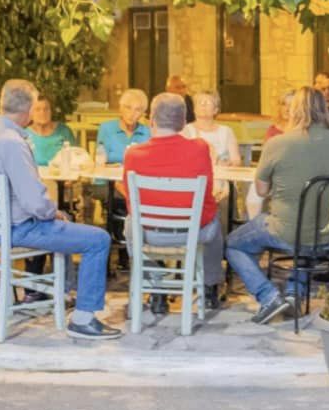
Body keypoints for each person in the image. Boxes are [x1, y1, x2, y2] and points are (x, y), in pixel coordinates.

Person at [0, 79, 120, 340]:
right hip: (15, 228)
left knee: (66, 223)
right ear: (29, 110)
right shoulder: (12, 142)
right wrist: (52, 212)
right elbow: (35, 202)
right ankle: (83, 318)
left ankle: (66, 292)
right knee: (98, 239)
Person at [226, 86, 329, 324]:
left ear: (294, 110)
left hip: (287, 232)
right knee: (303, 229)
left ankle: (268, 295)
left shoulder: (278, 143)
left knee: (233, 244)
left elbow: (261, 191)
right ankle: (294, 293)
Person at [122, 92, 225, 311]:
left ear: (152, 120)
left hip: (149, 234)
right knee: (215, 220)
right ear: (183, 121)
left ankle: (155, 283)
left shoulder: (133, 154)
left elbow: (131, 202)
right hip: (190, 233)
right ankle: (209, 286)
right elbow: (207, 199)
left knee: (130, 223)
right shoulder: (200, 148)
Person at [88, 88, 151, 226]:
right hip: (108, 183)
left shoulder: (148, 132)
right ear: (120, 108)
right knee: (123, 198)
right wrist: (119, 182)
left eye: (137, 110)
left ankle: (128, 230)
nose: (132, 113)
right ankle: (122, 229)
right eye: (128, 107)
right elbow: (101, 160)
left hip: (136, 183)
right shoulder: (106, 128)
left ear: (142, 113)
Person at [182, 91, 241, 166]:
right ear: (194, 109)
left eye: (208, 103)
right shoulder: (186, 130)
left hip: (221, 172)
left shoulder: (226, 131)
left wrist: (228, 164)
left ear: (215, 110)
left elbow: (236, 161)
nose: (203, 105)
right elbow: (183, 159)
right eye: (200, 102)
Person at [26, 96, 75, 166]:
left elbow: (76, 158)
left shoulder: (64, 131)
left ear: (51, 112)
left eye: (46, 109)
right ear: (30, 114)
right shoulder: (24, 135)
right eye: (37, 109)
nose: (42, 112)